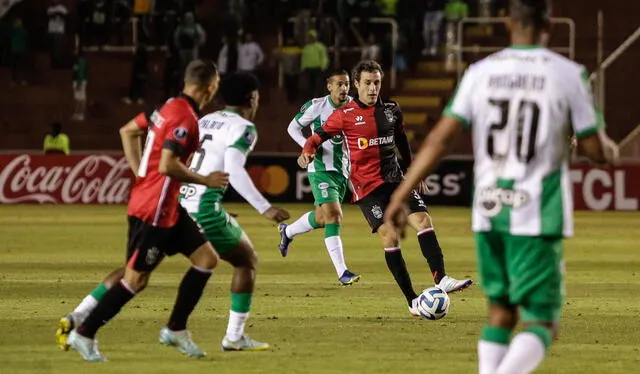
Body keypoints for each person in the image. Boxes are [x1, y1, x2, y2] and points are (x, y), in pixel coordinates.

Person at [384, 1, 619, 373]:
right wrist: (607, 148)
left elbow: (439, 140)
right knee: (542, 323)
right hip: (536, 212)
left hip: (490, 209)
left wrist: (400, 194)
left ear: (508, 24)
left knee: (501, 313)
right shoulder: (568, 75)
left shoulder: (481, 72)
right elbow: (595, 148)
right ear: (549, 24)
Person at [62, 60, 228, 362]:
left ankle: (175, 329)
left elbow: (127, 131)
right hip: (155, 210)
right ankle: (83, 333)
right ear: (211, 87)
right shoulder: (186, 118)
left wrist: (141, 172)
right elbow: (167, 165)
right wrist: (205, 179)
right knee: (135, 280)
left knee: (206, 259)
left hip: (168, 207)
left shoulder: (164, 107)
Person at [298, 60, 473, 315]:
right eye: (367, 83)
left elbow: (402, 140)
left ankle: (441, 278)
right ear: (356, 84)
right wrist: (307, 152)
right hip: (367, 188)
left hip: (396, 180)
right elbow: (314, 138)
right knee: (390, 236)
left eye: (377, 83)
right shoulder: (344, 116)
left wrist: (414, 171)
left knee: (423, 221)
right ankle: (412, 300)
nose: (372, 88)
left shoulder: (392, 109)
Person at [180, 72, 290, 351]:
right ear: (252, 98)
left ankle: (83, 318)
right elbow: (233, 168)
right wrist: (264, 208)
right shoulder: (244, 128)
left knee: (139, 269)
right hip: (203, 208)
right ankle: (234, 336)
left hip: (181, 201)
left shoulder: (203, 119)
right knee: (247, 260)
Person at [279, 69, 360, 285]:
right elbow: (292, 128)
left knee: (323, 218)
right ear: (329, 86)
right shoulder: (317, 106)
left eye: (347, 84)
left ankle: (288, 232)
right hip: (320, 168)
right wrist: (307, 149)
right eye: (340, 84)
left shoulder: (355, 106)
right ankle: (343, 272)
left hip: (342, 170)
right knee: (334, 215)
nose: (344, 88)